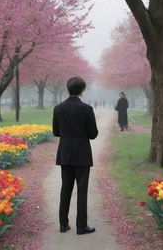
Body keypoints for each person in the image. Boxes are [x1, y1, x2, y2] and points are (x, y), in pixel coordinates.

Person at [52, 77, 98, 235]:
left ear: (68, 89)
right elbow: (93, 134)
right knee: (82, 190)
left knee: (65, 188)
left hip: (65, 154)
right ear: (82, 90)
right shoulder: (86, 109)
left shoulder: (58, 108)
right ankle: (81, 226)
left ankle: (63, 224)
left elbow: (56, 132)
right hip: (82, 155)